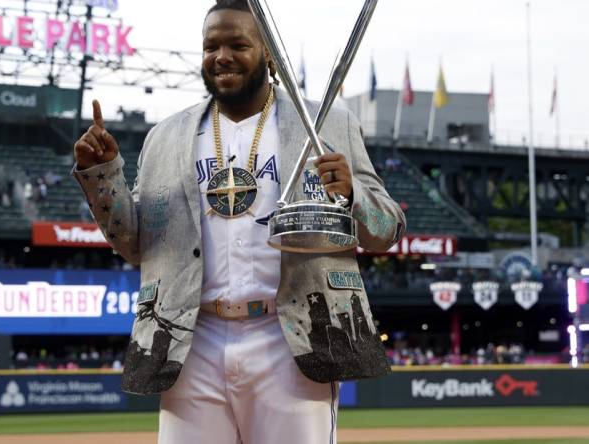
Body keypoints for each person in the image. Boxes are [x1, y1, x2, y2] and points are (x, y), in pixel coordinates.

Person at [72, 1, 405, 442]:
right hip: (193, 341)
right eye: (211, 46)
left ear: (269, 54)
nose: (221, 56)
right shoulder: (165, 136)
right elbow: (136, 246)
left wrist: (353, 193)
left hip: (290, 338)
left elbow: (387, 230)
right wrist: (104, 177)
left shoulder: (326, 122)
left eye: (237, 44)